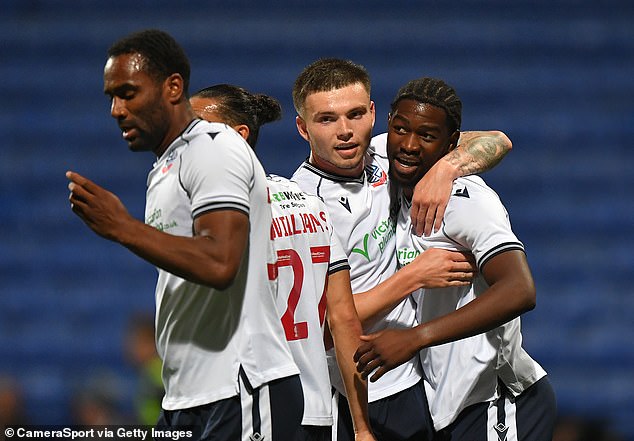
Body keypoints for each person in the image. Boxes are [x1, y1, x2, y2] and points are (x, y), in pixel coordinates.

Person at [66, 29, 302, 440]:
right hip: (187, 396)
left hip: (240, 386)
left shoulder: (213, 147)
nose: (116, 110)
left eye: (128, 93)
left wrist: (124, 228)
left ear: (173, 87)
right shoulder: (166, 164)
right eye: (111, 97)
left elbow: (220, 261)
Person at [290, 58, 513, 441]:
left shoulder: (381, 153)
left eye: (355, 114)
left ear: (373, 114)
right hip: (363, 384)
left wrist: (448, 168)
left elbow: (498, 140)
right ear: (303, 128)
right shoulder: (307, 206)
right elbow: (325, 321)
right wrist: (414, 276)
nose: (345, 132)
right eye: (326, 119)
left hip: (415, 377)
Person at [354, 77, 557, 440]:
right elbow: (497, 139)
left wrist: (415, 338)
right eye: (400, 129)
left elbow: (520, 289)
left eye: (427, 136)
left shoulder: (467, 201)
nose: (409, 145)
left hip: (498, 402)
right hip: (450, 406)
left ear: (451, 144)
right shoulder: (387, 155)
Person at [190, 84, 375, 441]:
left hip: (251, 406)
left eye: (196, 128)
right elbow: (343, 318)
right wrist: (361, 426)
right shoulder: (309, 203)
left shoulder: (221, 213)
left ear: (237, 136)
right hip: (317, 412)